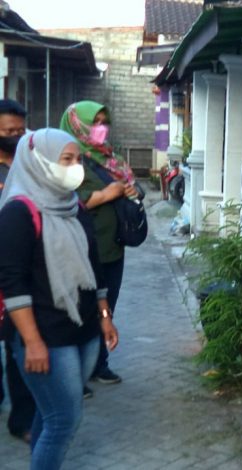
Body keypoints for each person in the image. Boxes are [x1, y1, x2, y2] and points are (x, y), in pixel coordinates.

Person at [0, 129, 119, 469]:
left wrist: (105, 316)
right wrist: (32, 342)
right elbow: (12, 283)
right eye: (66, 160)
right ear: (39, 161)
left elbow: (93, 265)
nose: (75, 167)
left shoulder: (73, 206)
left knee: (50, 412)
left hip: (84, 328)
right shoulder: (18, 212)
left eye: (78, 159)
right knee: (64, 419)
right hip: (45, 335)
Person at [60, 101, 137, 388]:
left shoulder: (109, 158)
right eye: (94, 122)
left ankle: (98, 364)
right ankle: (75, 373)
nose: (101, 128)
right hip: (81, 246)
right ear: (77, 124)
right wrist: (107, 194)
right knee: (80, 310)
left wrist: (128, 190)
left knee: (107, 306)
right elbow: (68, 198)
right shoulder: (67, 158)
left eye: (104, 122)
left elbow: (128, 188)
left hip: (112, 245)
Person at [0, 98, 37, 443]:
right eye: (8, 131)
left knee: (17, 345)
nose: (15, 136)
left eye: (20, 130)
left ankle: (22, 419)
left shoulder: (31, 163)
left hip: (19, 271)